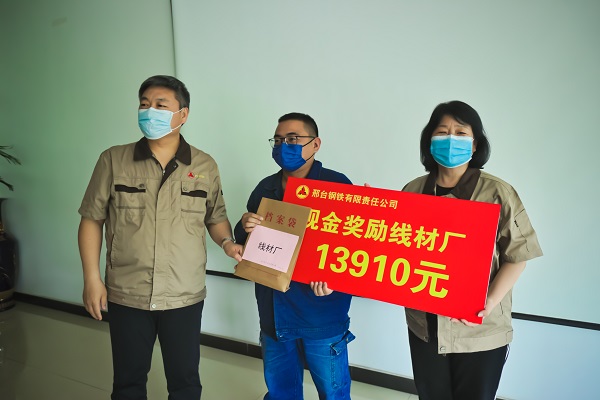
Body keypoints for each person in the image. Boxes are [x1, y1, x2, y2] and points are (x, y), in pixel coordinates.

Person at [77, 75, 242, 400]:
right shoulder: (113, 159)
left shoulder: (204, 165)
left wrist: (226, 242)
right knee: (128, 382)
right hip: (127, 291)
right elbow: (91, 219)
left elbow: (216, 217)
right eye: (144, 104)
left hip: (184, 293)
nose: (149, 111)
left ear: (183, 114)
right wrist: (92, 279)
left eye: (160, 105)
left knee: (185, 381)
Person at [402, 100, 543, 400]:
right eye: (442, 132)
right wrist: (373, 211)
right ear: (429, 140)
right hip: (424, 327)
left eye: (461, 132)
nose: (451, 139)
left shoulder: (497, 192)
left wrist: (488, 303)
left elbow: (518, 256)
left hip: (479, 330)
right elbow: (398, 247)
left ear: (475, 143)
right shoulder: (412, 190)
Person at [234, 112, 355, 400]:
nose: (283, 146)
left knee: (334, 394)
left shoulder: (338, 187)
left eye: (292, 139)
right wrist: (244, 225)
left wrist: (335, 279)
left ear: (315, 144)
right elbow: (246, 245)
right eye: (277, 140)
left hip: (322, 314)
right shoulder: (265, 188)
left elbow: (355, 249)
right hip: (275, 313)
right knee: (281, 393)